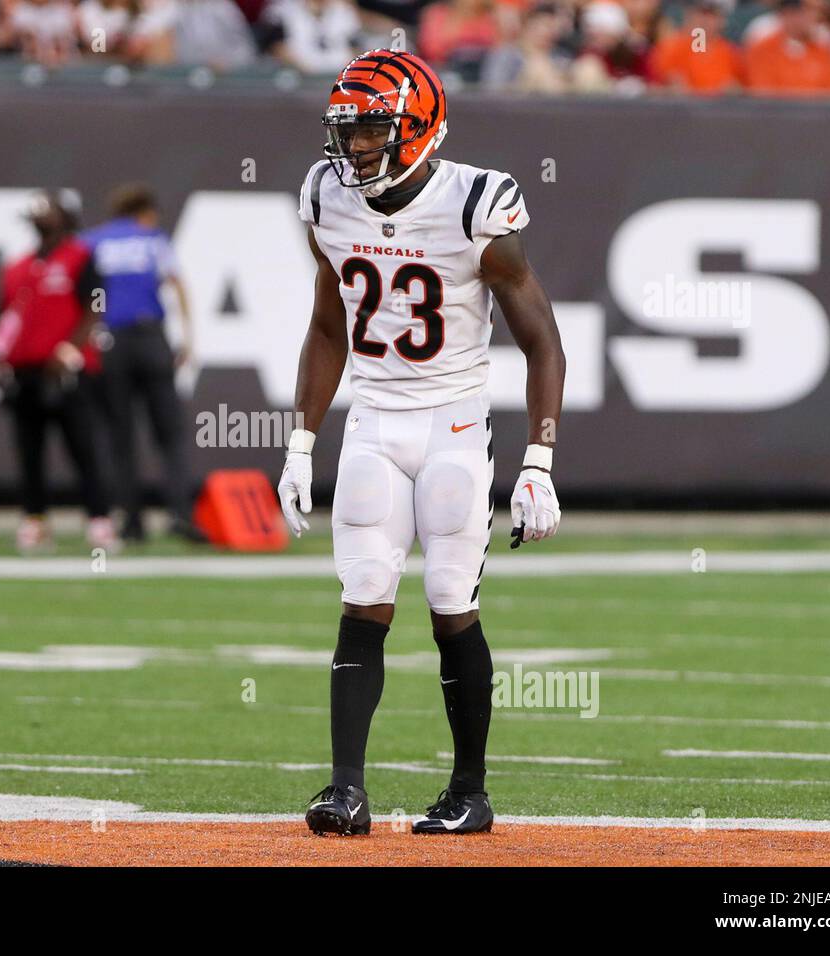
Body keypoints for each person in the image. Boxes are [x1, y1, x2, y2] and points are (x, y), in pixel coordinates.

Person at [279, 50, 565, 836]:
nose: (356, 148)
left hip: (455, 422)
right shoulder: (325, 197)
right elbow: (329, 322)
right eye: (349, 129)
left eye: (373, 127)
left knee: (449, 604)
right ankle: (345, 790)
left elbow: (543, 342)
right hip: (373, 417)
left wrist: (539, 461)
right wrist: (300, 440)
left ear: (419, 127)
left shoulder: (477, 201)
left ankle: (469, 792)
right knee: (362, 594)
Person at [0, 190, 120, 554]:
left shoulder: (81, 257)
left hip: (69, 370)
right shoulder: (18, 266)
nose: (40, 217)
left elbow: (94, 307)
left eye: (48, 211)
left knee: (83, 448)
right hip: (25, 370)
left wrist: (69, 348)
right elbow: (6, 316)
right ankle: (35, 520)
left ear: (65, 216)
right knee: (29, 450)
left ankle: (99, 519)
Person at [82, 183, 203, 543]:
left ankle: (131, 521)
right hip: (150, 338)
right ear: (145, 212)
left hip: (110, 341)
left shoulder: (92, 242)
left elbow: (82, 293)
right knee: (170, 433)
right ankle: (180, 512)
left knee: (120, 435)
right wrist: (187, 338)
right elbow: (178, 284)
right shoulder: (152, 239)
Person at [745, 0, 830, 94]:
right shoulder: (763, 52)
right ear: (789, 14)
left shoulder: (824, 52)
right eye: (809, 11)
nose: (815, 17)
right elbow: (763, 98)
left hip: (819, 111)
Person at [648, 0, 744, 94]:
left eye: (712, 15)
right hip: (680, 107)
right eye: (701, 13)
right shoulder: (670, 47)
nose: (705, 20)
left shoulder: (730, 53)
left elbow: (742, 89)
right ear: (689, 14)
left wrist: (734, 92)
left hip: (720, 108)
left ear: (722, 20)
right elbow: (654, 87)